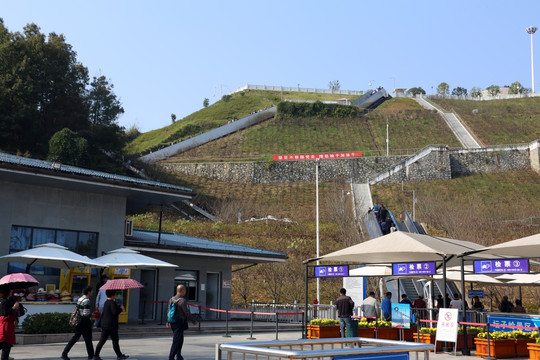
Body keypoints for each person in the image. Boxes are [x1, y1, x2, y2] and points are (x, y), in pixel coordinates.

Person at [93, 290, 128, 360]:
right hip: (111, 325)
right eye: (115, 294)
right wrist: (121, 309)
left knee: (102, 341)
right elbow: (114, 312)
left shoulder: (106, 302)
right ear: (113, 295)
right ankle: (119, 355)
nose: (116, 295)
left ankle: (96, 355)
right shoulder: (112, 303)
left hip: (105, 324)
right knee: (115, 340)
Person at [62, 286, 94, 360]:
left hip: (79, 321)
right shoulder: (86, 300)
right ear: (89, 292)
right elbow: (86, 313)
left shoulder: (80, 299)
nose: (92, 292)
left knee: (75, 338)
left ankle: (64, 353)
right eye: (91, 291)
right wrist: (92, 315)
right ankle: (91, 356)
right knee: (88, 339)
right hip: (84, 322)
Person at [167, 284, 197, 360]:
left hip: (173, 321)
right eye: (185, 290)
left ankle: (179, 355)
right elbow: (186, 312)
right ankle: (171, 356)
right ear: (182, 291)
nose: (185, 292)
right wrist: (193, 320)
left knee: (180, 339)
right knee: (177, 340)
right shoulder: (182, 300)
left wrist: (168, 320)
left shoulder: (171, 299)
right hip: (179, 322)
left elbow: (168, 310)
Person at [0, 287, 18, 360]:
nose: (11, 292)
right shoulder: (5, 301)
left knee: (5, 344)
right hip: (6, 324)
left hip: (6, 323)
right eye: (10, 291)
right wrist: (14, 307)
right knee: (6, 344)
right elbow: (6, 313)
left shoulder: (4, 300)